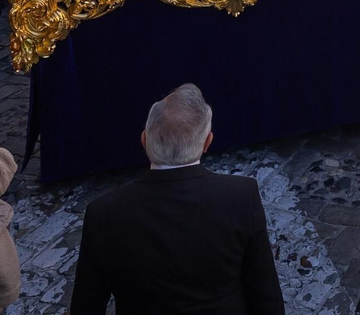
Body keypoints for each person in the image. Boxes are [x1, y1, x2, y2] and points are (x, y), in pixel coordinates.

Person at [68, 84, 283, 314]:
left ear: (144, 140)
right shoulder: (241, 196)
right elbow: (264, 293)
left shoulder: (103, 214)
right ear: (207, 143)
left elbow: (87, 305)